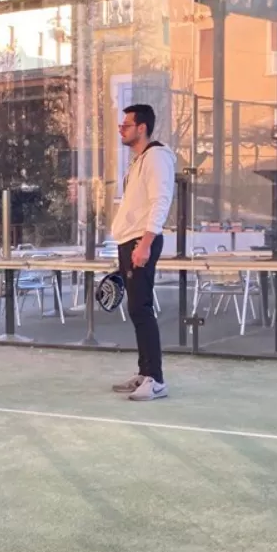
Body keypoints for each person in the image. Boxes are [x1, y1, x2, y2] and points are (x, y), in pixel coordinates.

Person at [109, 104, 174, 402]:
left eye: (126, 125)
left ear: (142, 128)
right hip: (130, 241)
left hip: (141, 241)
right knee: (136, 309)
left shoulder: (157, 158)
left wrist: (145, 244)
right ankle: (144, 372)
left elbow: (160, 202)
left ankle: (156, 379)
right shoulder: (139, 161)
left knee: (142, 309)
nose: (121, 129)